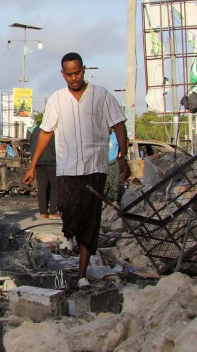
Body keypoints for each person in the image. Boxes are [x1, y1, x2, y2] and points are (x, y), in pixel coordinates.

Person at [23, 53, 130, 289]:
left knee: (91, 219)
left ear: (84, 70)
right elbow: (46, 132)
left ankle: (82, 274)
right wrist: (33, 165)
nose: (74, 78)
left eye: (77, 73)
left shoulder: (101, 95)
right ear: (63, 74)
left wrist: (123, 156)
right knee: (70, 211)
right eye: (69, 74)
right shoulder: (57, 99)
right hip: (68, 169)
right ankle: (69, 235)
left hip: (95, 167)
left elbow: (119, 124)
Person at [28, 123, 59, 219]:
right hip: (51, 161)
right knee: (55, 186)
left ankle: (43, 212)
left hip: (38, 161)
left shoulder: (35, 130)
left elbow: (32, 145)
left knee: (42, 187)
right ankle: (53, 212)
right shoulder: (53, 129)